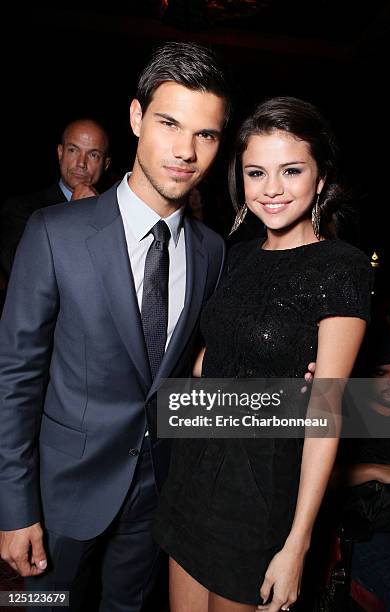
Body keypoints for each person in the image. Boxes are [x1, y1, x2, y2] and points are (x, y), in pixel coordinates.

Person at [0, 42, 230, 612]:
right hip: (60, 497)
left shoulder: (211, 250)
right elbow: (15, 379)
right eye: (170, 123)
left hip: (156, 496)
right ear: (136, 118)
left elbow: (185, 369)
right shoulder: (53, 232)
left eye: (206, 134)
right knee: (42, 608)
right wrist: (14, 508)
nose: (186, 151)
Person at [154, 96, 373, 612]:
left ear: (320, 178)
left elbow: (328, 412)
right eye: (256, 172)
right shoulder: (236, 256)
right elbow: (210, 364)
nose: (271, 189)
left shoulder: (343, 267)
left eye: (291, 170)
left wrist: (297, 544)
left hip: (260, 496)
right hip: (193, 478)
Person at [337, 330, 390, 612]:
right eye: (382, 374)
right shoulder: (349, 417)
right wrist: (381, 471)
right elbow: (324, 478)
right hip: (369, 530)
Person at [0, 118, 111, 277]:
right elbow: (21, 270)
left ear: (105, 164)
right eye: (73, 150)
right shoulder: (23, 209)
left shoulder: (113, 215)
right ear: (60, 153)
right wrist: (74, 216)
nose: (81, 163)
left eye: (93, 154)